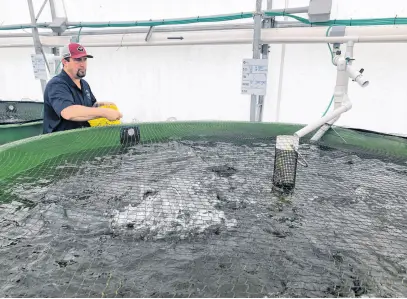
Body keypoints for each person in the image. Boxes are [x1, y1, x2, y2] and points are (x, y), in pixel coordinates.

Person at [42, 42, 122, 134]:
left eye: (84, 59)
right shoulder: (57, 85)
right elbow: (68, 112)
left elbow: (90, 107)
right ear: (65, 62)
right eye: (78, 60)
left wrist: (102, 104)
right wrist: (104, 112)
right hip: (60, 144)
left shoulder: (84, 84)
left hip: (82, 140)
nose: (83, 64)